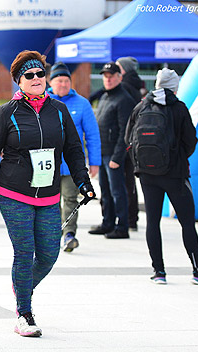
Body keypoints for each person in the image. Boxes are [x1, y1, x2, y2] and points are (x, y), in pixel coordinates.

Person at [0, 50, 95, 337]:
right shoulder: (6, 113)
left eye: (41, 73)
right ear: (19, 81)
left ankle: (21, 285)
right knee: (24, 251)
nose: (37, 79)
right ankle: (24, 313)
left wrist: (83, 181)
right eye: (29, 76)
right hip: (13, 192)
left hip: (49, 194)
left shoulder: (59, 111)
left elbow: (74, 150)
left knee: (49, 254)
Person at [124, 68, 198, 286]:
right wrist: (176, 157)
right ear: (174, 86)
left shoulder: (141, 106)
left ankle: (158, 272)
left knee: (153, 221)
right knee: (187, 222)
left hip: (147, 175)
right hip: (174, 174)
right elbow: (191, 140)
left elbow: (128, 139)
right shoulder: (178, 108)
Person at [47, 62, 101, 252]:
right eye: (59, 80)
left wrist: (94, 162)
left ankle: (69, 234)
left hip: (71, 164)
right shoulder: (43, 101)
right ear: (50, 82)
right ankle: (54, 234)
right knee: (50, 201)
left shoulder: (82, 103)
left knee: (70, 199)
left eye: (66, 81)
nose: (63, 84)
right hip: (48, 163)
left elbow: (92, 134)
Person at [89, 62, 136, 239]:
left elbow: (126, 131)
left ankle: (122, 226)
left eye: (111, 76)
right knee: (105, 190)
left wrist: (117, 156)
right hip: (102, 152)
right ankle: (107, 222)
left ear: (119, 77)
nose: (108, 79)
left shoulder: (124, 99)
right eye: (105, 76)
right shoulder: (105, 97)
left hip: (113, 154)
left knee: (118, 191)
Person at [117, 56, 144, 231]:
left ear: (124, 69)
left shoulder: (124, 87)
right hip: (136, 138)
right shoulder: (139, 85)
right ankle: (133, 217)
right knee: (129, 180)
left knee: (121, 181)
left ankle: (126, 218)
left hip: (125, 137)